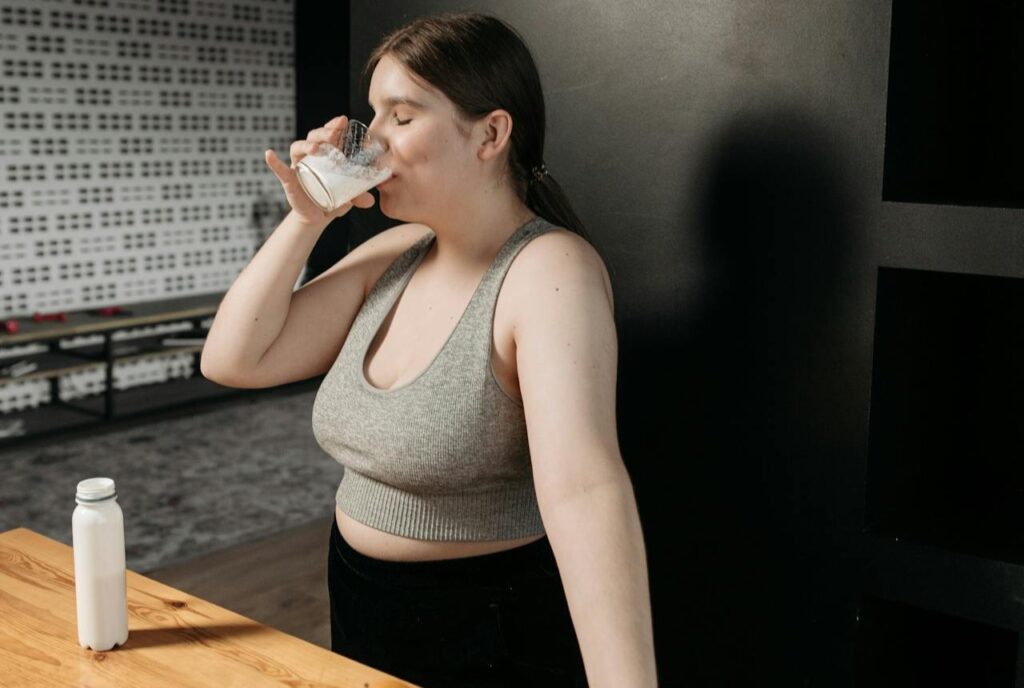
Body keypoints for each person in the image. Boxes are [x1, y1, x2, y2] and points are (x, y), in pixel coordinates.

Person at [201, 11, 656, 688]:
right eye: (372, 115)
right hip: (362, 606)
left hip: (488, 634)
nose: (372, 140)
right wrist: (308, 218)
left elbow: (586, 491)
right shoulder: (395, 253)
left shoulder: (548, 273)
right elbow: (233, 359)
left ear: (491, 134)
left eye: (401, 116)